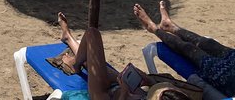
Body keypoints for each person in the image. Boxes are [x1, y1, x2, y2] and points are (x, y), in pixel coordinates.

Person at [54, 12, 192, 100]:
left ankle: (74, 59)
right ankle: (69, 40)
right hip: (121, 86)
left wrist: (124, 93)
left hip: (104, 96)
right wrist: (148, 80)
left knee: (91, 35)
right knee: (92, 48)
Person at [135, 2, 235, 98]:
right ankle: (171, 26)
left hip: (228, 81)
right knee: (210, 44)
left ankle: (154, 29)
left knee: (193, 52)